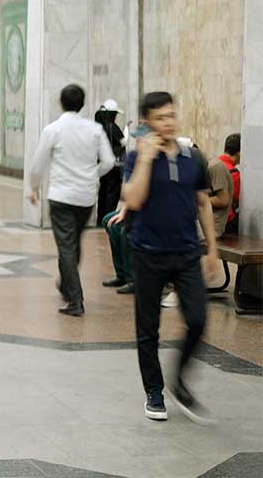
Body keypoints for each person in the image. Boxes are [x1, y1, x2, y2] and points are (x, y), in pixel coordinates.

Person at [118, 91, 219, 423]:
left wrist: (212, 249)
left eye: (171, 115)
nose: (168, 123)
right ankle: (154, 391)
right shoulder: (136, 157)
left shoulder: (192, 158)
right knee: (148, 329)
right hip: (147, 253)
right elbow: (133, 200)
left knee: (198, 320)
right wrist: (146, 159)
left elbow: (203, 203)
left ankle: (179, 380)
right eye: (160, 118)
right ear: (147, 122)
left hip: (187, 253)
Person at [28, 84, 116, 316]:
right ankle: (66, 284)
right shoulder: (95, 130)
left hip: (61, 197)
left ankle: (75, 299)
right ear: (83, 103)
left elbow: (38, 164)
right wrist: (92, 174)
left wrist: (34, 188)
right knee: (73, 243)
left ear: (61, 102)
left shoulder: (53, 129)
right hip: (86, 198)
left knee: (66, 247)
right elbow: (108, 161)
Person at [96, 99, 129, 289]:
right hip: (114, 165)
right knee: (112, 192)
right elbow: (123, 142)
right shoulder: (112, 127)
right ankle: (126, 275)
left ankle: (102, 216)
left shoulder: (99, 125)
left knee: (104, 192)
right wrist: (127, 133)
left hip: (102, 165)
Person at [209, 133, 240, 237]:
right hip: (224, 222)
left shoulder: (212, 163)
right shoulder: (234, 173)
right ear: (239, 153)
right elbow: (236, 200)